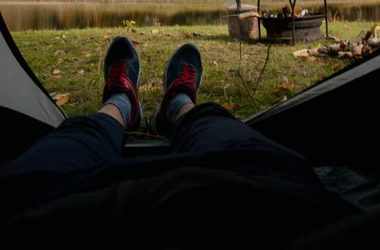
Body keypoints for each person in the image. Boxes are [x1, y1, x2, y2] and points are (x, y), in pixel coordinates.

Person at [1, 37, 354, 245]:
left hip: (34, 209)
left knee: (78, 137)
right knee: (237, 140)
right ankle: (177, 104)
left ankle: (121, 104)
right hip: (268, 204)